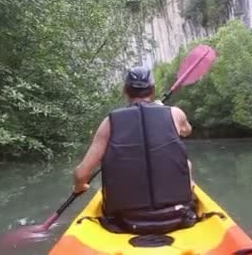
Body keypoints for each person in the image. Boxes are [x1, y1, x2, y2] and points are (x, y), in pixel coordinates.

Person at [73, 66, 197, 235]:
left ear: (125, 90)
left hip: (123, 221)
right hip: (178, 216)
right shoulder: (175, 114)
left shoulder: (110, 122)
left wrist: (80, 186)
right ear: (153, 89)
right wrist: (162, 111)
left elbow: (81, 174)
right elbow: (187, 130)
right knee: (186, 164)